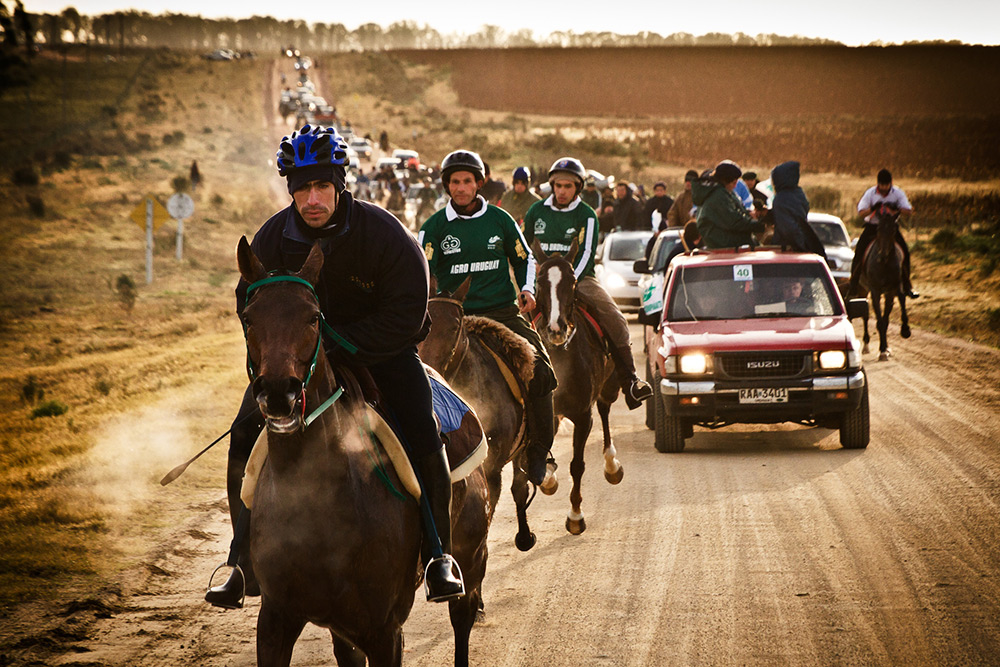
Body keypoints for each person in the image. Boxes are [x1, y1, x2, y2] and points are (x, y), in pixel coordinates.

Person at [205, 125, 464, 609]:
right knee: (243, 432)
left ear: (341, 183)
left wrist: (339, 343)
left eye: (322, 185)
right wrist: (272, 362)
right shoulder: (272, 239)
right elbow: (251, 311)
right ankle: (240, 561)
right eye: (301, 187)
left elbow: (408, 313)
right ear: (291, 190)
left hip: (383, 355)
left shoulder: (385, 234)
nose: (312, 198)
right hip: (299, 365)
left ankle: (437, 554)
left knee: (422, 428)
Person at [418, 149, 557, 486]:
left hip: (501, 311)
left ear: (479, 183)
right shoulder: (434, 227)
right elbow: (421, 269)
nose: (461, 187)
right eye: (454, 182)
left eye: (467, 181)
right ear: (447, 186)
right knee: (418, 372)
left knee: (541, 373)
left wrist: (527, 289)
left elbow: (524, 258)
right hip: (453, 317)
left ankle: (539, 451)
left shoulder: (500, 220)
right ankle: (419, 448)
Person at [522, 157, 653, 410]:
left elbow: (587, 253)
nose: (562, 191)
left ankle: (631, 382)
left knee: (614, 317)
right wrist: (531, 278)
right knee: (509, 313)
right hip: (542, 278)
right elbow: (524, 248)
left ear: (578, 188)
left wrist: (569, 282)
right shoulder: (536, 211)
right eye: (558, 185)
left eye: (568, 186)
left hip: (579, 278)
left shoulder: (587, 214)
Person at [848, 168, 918, 298]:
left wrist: (896, 208)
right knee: (859, 251)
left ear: (890, 184)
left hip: (891, 228)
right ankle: (853, 284)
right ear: (878, 184)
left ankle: (907, 285)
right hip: (873, 226)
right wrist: (873, 208)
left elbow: (909, 211)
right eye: (882, 185)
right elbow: (861, 212)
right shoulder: (870, 193)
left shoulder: (897, 193)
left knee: (905, 252)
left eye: (886, 185)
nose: (884, 188)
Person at [694, 160, 766, 249]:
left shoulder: (719, 191)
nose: (735, 186)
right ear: (725, 180)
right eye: (734, 183)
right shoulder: (718, 195)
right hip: (722, 241)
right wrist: (760, 225)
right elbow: (734, 221)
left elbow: (733, 213)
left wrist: (749, 214)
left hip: (718, 240)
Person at [769, 160, 826, 258]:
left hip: (786, 248)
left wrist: (801, 246)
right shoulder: (799, 193)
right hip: (802, 242)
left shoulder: (781, 198)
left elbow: (788, 228)